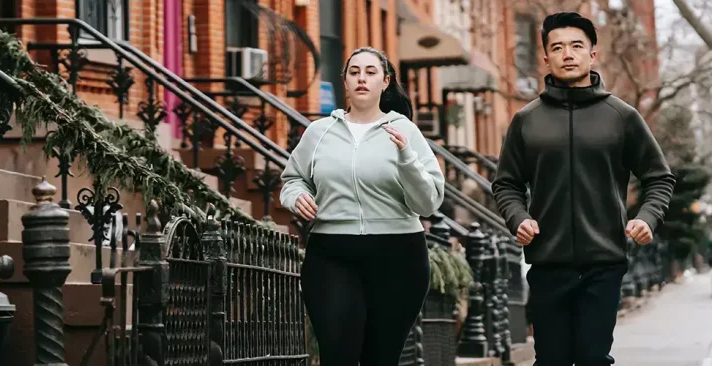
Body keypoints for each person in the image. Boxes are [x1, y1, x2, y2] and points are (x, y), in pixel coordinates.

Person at [491, 12, 676, 366]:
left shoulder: (621, 116)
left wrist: (648, 219)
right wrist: (518, 218)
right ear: (546, 57)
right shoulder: (527, 119)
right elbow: (507, 183)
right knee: (551, 359)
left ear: (593, 53)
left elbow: (658, 176)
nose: (567, 54)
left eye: (577, 46)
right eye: (557, 47)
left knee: (593, 357)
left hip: (604, 261)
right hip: (548, 262)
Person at [279, 46, 445, 366]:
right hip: (332, 253)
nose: (362, 79)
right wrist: (296, 197)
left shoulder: (405, 131)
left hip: (399, 255)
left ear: (385, 82)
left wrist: (406, 158)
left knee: (380, 357)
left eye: (370, 73)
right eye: (354, 72)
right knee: (337, 351)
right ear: (345, 82)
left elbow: (428, 202)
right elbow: (293, 179)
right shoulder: (319, 132)